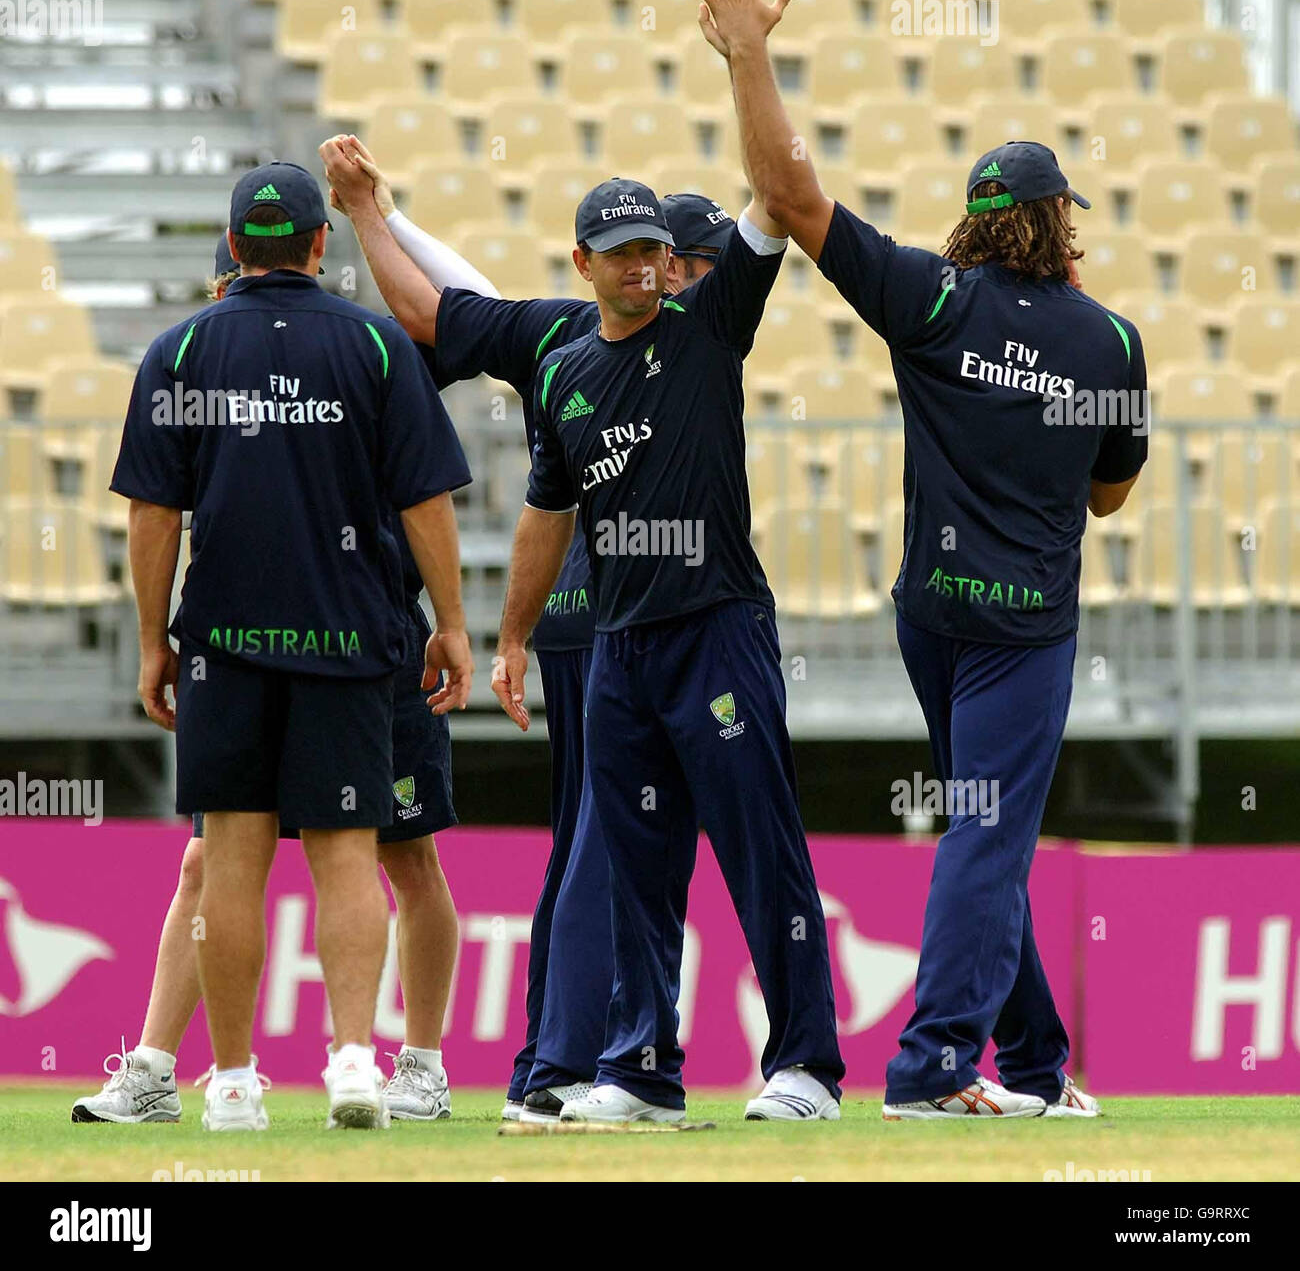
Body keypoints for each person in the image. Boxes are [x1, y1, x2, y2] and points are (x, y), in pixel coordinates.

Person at [694, 0, 1147, 1119]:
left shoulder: (930, 301)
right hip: (1024, 627)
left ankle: (1038, 1065)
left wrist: (748, 57)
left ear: (977, 220)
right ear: (1057, 224)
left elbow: (790, 202)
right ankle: (934, 1065)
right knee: (987, 837)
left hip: (931, 616)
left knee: (979, 833)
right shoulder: (1109, 342)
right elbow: (1109, 496)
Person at [320, 135, 744, 1122]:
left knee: (586, 837)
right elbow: (443, 312)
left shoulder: (573, 333)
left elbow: (456, 309)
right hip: (623, 617)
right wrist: (375, 213)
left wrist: (377, 215)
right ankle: (567, 1064)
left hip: (573, 616)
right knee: (616, 834)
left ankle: (547, 1062)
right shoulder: (654, 339)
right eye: (699, 263)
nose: (689, 278)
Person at [110, 162, 474, 1131]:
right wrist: (455, 620)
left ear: (233, 249)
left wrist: (152, 640)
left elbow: (153, 513)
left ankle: (230, 1083)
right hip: (352, 637)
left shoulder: (180, 350)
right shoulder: (379, 345)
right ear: (323, 245)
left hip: (224, 642)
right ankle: (354, 1059)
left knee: (229, 859)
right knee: (349, 852)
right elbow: (426, 502)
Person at [491, 175, 846, 1123]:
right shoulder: (564, 373)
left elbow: (776, 189)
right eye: (622, 252)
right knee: (638, 875)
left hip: (718, 627)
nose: (645, 265)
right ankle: (641, 1071)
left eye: (654, 249)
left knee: (760, 849)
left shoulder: (706, 329)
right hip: (618, 647)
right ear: (583, 265)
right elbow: (546, 511)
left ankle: (807, 1065)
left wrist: (745, 51)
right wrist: (513, 637)